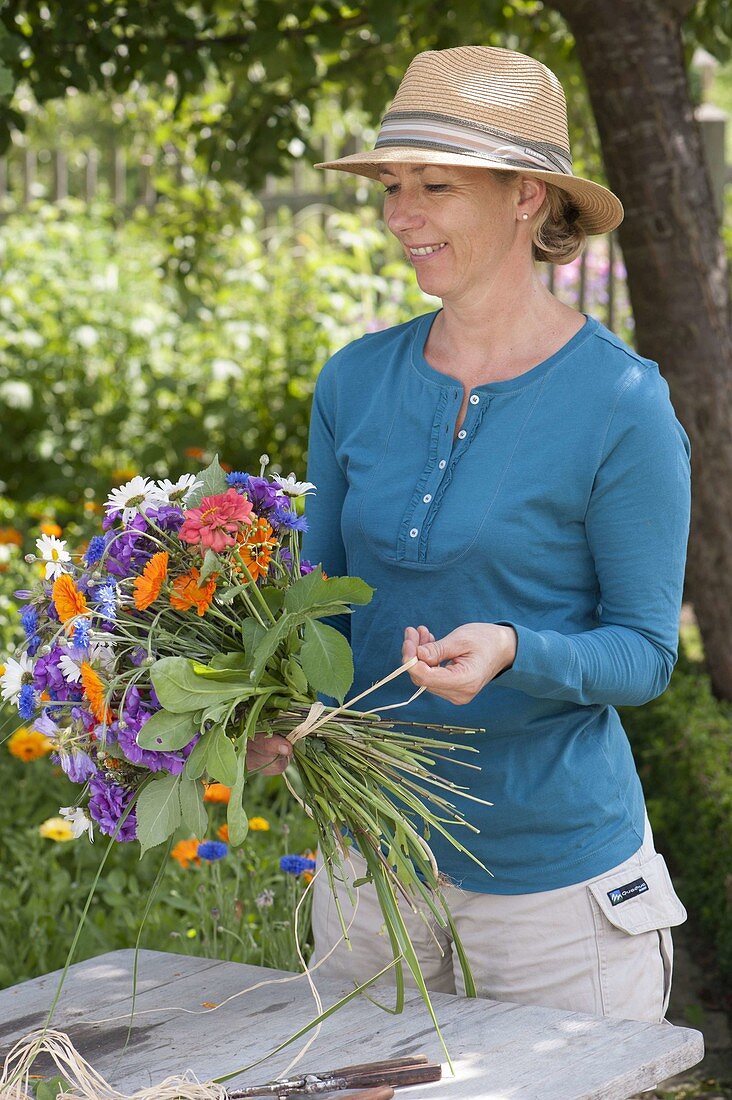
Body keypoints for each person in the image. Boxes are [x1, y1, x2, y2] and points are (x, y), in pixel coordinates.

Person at [246, 44, 691, 1022]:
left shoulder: (621, 402)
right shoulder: (353, 379)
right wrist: (273, 708)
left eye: (434, 186)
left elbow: (646, 652)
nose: (401, 214)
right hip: (371, 868)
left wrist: (516, 649)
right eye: (393, 185)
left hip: (552, 895)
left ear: (528, 196)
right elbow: (319, 597)